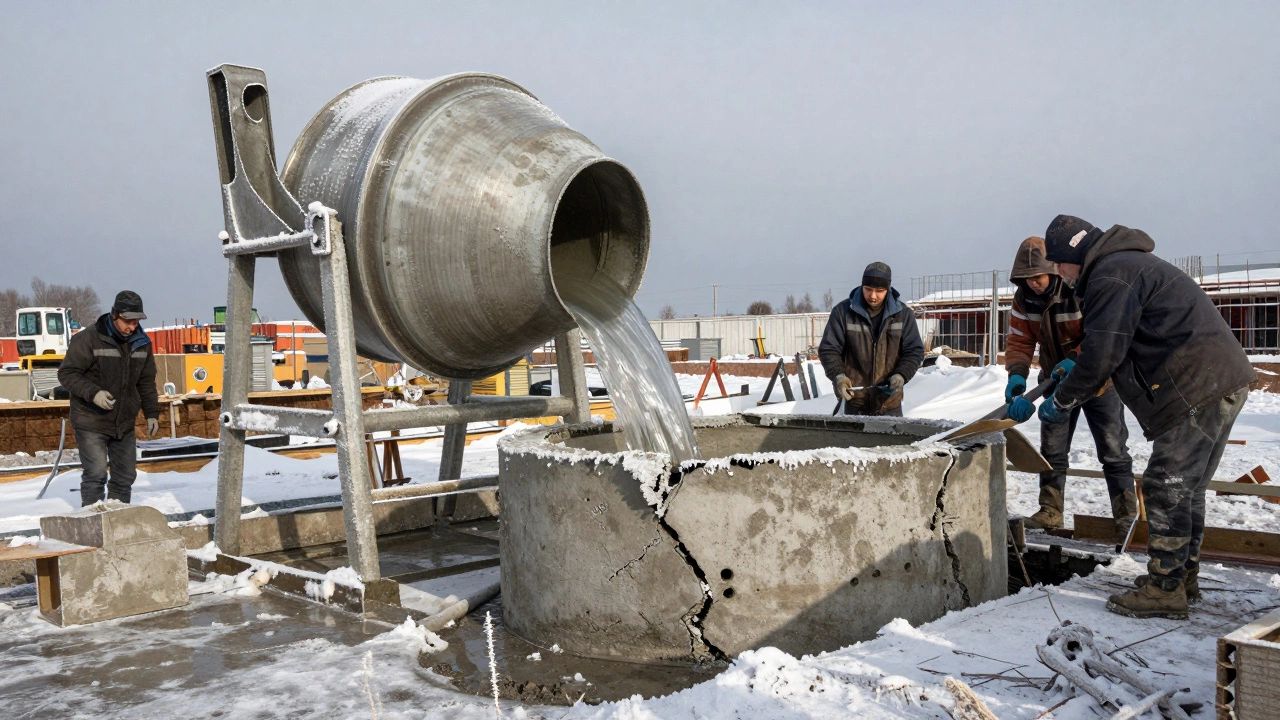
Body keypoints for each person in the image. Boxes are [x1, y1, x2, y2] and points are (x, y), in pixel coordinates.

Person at [1035, 215, 1255, 620]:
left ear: (1073, 256)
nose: (1060, 274)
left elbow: (1106, 353)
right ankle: (1180, 577)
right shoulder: (1123, 266)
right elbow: (1113, 338)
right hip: (1219, 378)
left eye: (1059, 264)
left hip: (1195, 383)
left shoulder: (1110, 275)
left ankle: (1164, 589)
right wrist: (1075, 361)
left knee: (1164, 485)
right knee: (1186, 488)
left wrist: (1063, 400)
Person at [1003, 237, 1137, 540]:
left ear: (1052, 270)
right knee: (1052, 450)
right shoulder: (1024, 300)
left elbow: (1100, 335)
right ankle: (1050, 510)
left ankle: (1127, 515)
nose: (1034, 284)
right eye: (1026, 279)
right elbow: (1020, 341)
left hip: (1098, 382)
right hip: (1054, 382)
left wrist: (1075, 359)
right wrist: (1017, 376)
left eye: (1037, 276)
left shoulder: (1080, 290)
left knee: (1113, 449)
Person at [58, 291, 160, 506]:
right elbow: (67, 373)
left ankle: (117, 519)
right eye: (128, 321)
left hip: (123, 423)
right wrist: (93, 393)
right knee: (96, 474)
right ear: (114, 315)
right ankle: (93, 521)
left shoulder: (142, 343)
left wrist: (152, 413)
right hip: (91, 420)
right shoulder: (88, 339)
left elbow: (146, 381)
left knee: (125, 477)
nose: (132, 327)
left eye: (136, 322)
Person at [818, 262, 924, 416]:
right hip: (854, 402)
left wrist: (902, 374)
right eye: (868, 289)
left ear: (888, 289)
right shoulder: (843, 312)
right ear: (862, 286)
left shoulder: (903, 315)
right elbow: (829, 349)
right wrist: (838, 376)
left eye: (879, 291)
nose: (873, 296)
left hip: (889, 404)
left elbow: (914, 351)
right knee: (851, 441)